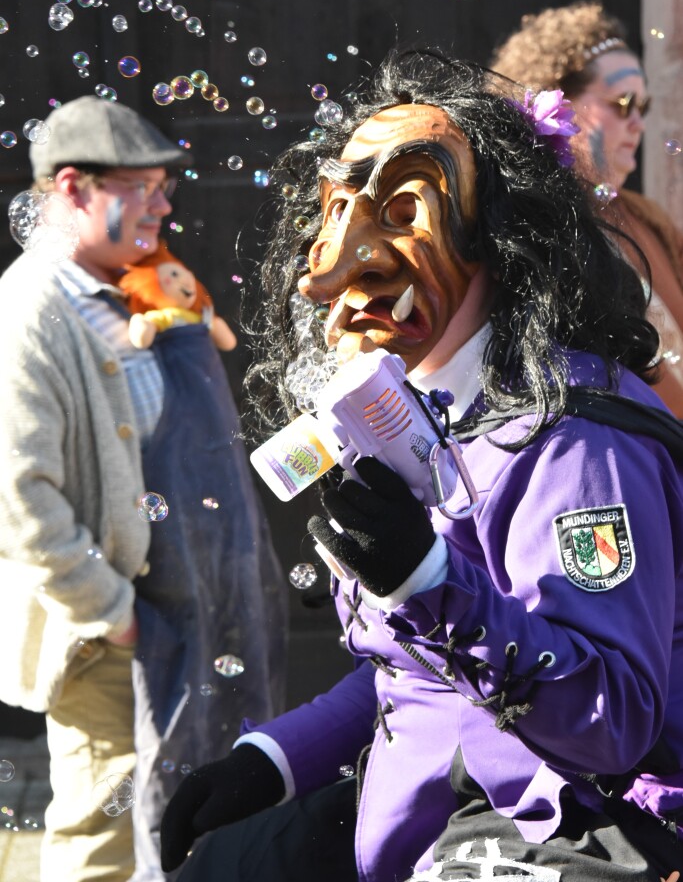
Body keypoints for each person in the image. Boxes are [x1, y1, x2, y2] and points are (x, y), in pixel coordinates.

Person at [159, 49, 683, 882]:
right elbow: (413, 676)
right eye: (336, 210)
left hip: (558, 824)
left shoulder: (579, 440)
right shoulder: (412, 409)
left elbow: (610, 718)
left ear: (499, 240)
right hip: (408, 817)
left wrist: (423, 576)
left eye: (402, 208)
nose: (331, 266)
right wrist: (274, 758)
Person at [0, 95, 287, 882]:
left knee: (178, 829)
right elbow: (19, 498)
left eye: (166, 185)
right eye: (142, 185)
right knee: (104, 843)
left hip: (178, 622)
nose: (165, 203)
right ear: (70, 190)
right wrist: (114, 616)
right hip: (103, 641)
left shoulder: (132, 288)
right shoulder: (32, 311)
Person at [491, 0, 683, 417]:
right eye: (622, 103)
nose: (639, 123)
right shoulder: (529, 232)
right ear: (559, 102)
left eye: (643, 108)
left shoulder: (647, 219)